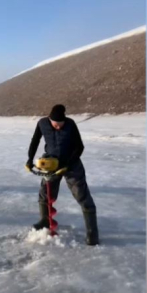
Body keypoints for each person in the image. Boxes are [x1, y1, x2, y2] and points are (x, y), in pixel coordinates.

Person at [26, 104, 99, 245]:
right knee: (45, 194)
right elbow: (35, 141)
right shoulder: (42, 123)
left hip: (72, 164)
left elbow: (79, 146)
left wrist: (67, 164)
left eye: (61, 124)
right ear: (50, 119)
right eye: (56, 124)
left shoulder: (70, 124)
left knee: (82, 195)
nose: (59, 127)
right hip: (51, 163)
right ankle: (45, 221)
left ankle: (92, 232)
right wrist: (30, 159)